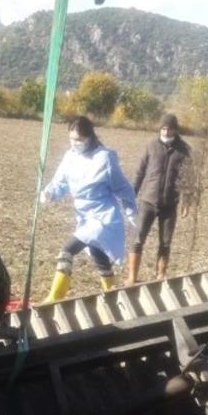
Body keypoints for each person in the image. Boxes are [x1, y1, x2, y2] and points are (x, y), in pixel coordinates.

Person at [39, 115, 137, 302]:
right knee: (98, 255)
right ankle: (112, 294)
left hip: (103, 217)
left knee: (67, 250)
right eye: (71, 139)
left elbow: (123, 188)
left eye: (79, 139)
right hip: (83, 217)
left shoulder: (104, 158)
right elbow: (60, 182)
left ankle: (54, 297)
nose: (74, 143)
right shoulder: (70, 157)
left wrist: (131, 212)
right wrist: (49, 193)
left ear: (90, 137)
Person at [128, 113, 192, 284]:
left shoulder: (184, 150)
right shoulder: (150, 146)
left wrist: (186, 201)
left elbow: (188, 178)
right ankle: (132, 277)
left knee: (165, 243)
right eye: (163, 128)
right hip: (148, 201)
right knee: (137, 239)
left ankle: (160, 276)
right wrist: (131, 194)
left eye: (169, 128)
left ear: (175, 129)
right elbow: (140, 172)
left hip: (170, 205)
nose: (165, 131)